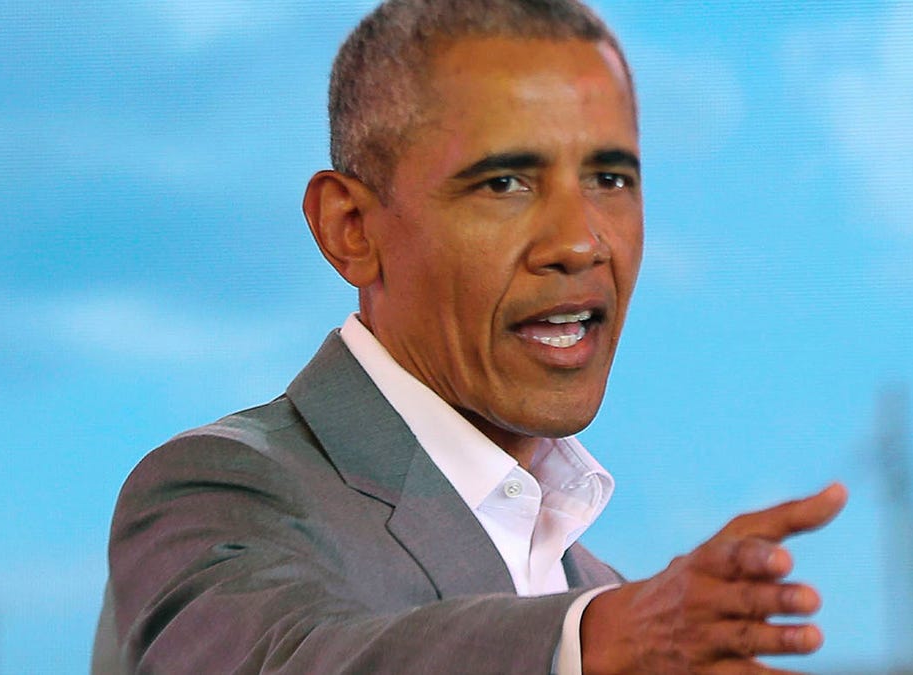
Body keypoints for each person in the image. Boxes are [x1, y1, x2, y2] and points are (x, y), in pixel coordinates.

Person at [92, 0, 848, 672]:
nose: (580, 242)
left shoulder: (601, 595)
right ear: (350, 228)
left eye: (611, 179)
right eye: (505, 183)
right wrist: (602, 642)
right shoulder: (216, 492)